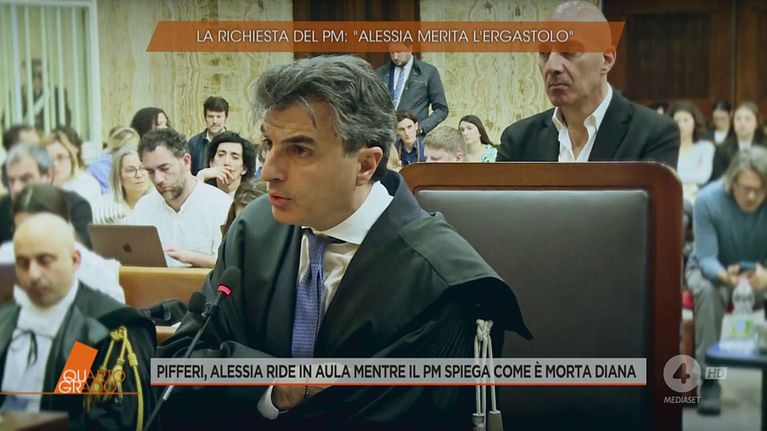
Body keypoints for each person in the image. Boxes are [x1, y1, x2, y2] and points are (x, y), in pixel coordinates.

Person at [157, 54, 530, 430]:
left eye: (300, 150)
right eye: (270, 143)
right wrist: (274, 386)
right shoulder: (254, 230)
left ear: (365, 164)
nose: (268, 170)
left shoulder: (438, 279)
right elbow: (181, 362)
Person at [0, 213, 154, 429]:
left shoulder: (103, 329)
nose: (33, 274)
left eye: (45, 261)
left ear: (74, 260)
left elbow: (117, 419)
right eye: (23, 263)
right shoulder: (7, 321)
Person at [496, 1, 679, 167]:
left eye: (569, 51)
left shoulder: (652, 134)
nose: (552, 66)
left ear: (606, 59)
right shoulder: (518, 141)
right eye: (544, 53)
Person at [686, 147, 767, 415]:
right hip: (713, 272)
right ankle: (710, 381)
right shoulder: (708, 200)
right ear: (732, 183)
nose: (752, 196)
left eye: (759, 190)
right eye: (746, 188)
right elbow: (706, 257)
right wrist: (726, 277)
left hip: (758, 274)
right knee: (708, 292)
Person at [0, 184, 124, 303]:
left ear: (65, 225)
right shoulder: (5, 259)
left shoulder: (96, 274)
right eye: (22, 230)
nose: (31, 238)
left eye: (41, 230)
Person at [131, 128, 231, 268]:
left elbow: (227, 264)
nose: (158, 179)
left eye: (165, 168)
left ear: (186, 161)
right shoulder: (144, 207)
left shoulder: (219, 204)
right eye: (150, 172)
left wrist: (190, 257)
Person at [0, 142, 92, 247]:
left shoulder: (75, 207)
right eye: (11, 180)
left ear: (48, 176)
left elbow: (80, 253)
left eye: (25, 179)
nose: (16, 188)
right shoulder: (3, 207)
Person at [376, 50, 448, 136]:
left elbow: (441, 109)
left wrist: (421, 128)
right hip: (386, 137)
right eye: (392, 52)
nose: (395, 57)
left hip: (414, 139)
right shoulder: (379, 73)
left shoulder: (428, 72)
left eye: (399, 52)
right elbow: (371, 107)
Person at [668, 102, 715, 203]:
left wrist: (674, 176)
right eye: (677, 121)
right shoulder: (667, 148)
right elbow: (664, 176)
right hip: (671, 196)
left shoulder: (706, 147)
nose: (681, 125)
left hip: (696, 198)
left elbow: (703, 176)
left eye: (686, 120)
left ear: (695, 122)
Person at [42, 130, 102, 209]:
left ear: (71, 159)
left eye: (60, 157)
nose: (54, 164)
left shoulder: (86, 185)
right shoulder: (42, 186)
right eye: (48, 158)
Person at [710, 101, 766, 181]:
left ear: (756, 123)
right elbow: (717, 178)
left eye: (747, 119)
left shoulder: (764, 147)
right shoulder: (722, 149)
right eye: (738, 119)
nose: (742, 123)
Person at [92, 147, 150, 224]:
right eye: (131, 170)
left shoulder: (159, 203)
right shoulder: (103, 205)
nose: (138, 175)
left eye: (142, 168)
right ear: (118, 177)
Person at [195, 130, 256, 197]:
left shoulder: (252, 197)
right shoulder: (205, 192)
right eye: (221, 155)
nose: (226, 162)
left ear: (244, 168)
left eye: (234, 157)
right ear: (212, 163)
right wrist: (201, 176)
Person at [87, 126, 140, 194]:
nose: (135, 153)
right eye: (132, 149)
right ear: (118, 148)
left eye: (137, 149)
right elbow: (114, 194)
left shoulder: (134, 164)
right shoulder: (99, 168)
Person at [187, 96, 230, 175]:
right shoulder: (194, 143)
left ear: (226, 117)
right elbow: (188, 173)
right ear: (205, 118)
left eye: (219, 117)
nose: (214, 121)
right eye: (210, 116)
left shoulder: (235, 143)